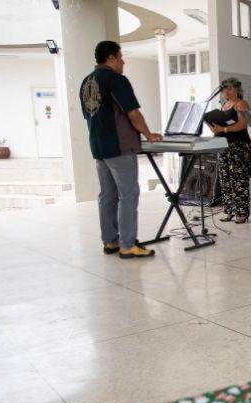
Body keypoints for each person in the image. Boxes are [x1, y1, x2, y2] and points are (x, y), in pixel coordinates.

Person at [80, 40, 160, 259]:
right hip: (119, 146)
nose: (123, 61)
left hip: (98, 146)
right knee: (128, 194)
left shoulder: (87, 82)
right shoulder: (116, 80)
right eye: (121, 56)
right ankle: (127, 244)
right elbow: (132, 113)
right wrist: (148, 134)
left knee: (107, 195)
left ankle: (110, 241)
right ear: (112, 58)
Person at [206, 78, 251, 224]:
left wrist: (223, 129)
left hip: (238, 145)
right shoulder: (225, 104)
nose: (226, 91)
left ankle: (242, 213)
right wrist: (214, 128)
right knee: (225, 179)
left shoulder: (241, 104)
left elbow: (243, 125)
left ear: (237, 90)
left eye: (230, 89)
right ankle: (230, 210)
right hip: (223, 145)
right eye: (224, 89)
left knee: (238, 179)